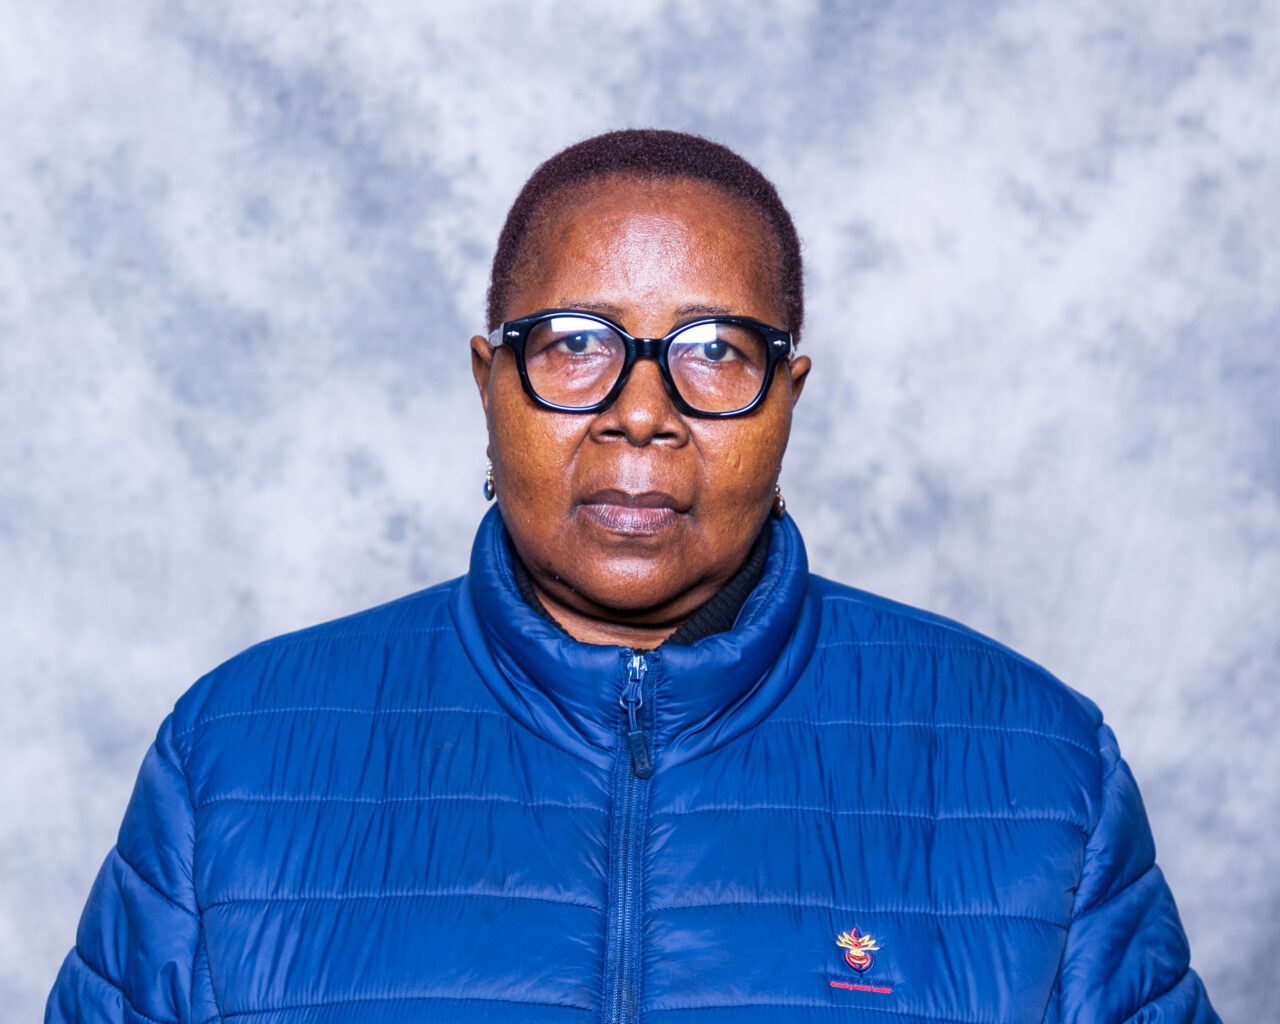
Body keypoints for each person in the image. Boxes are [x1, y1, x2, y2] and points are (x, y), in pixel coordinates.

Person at [47, 129, 1219, 1024]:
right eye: (574, 343)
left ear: (788, 396)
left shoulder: (1038, 767)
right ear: (487, 381)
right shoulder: (235, 755)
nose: (641, 412)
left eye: (715, 351)